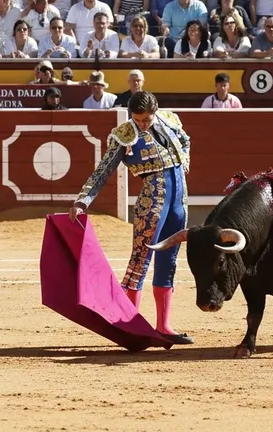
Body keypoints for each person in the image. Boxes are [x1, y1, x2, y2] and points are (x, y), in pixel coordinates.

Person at [70, 90, 193, 344]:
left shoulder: (170, 119)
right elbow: (103, 170)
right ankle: (130, 325)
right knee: (140, 261)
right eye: (137, 120)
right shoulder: (124, 134)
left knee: (168, 262)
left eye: (146, 120)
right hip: (153, 202)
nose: (142, 125)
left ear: (155, 111)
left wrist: (186, 162)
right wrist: (83, 200)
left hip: (179, 202)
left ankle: (163, 326)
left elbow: (186, 140)